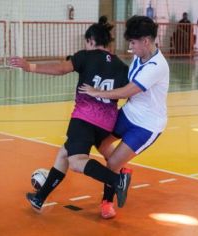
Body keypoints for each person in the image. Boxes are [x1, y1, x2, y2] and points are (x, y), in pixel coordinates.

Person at [10, 16, 132, 212]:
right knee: (64, 154)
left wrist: (30, 67)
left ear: (91, 41)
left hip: (84, 119)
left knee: (76, 161)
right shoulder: (122, 66)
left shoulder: (86, 55)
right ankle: (39, 198)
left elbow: (60, 69)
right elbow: (130, 91)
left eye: (86, 42)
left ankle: (118, 180)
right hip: (107, 123)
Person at [79, 15, 170, 219]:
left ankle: (107, 202)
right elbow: (124, 77)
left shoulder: (157, 67)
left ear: (146, 41)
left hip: (146, 126)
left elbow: (126, 90)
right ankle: (122, 173)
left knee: (112, 164)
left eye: (133, 43)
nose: (130, 47)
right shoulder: (140, 56)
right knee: (100, 142)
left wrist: (97, 92)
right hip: (129, 113)